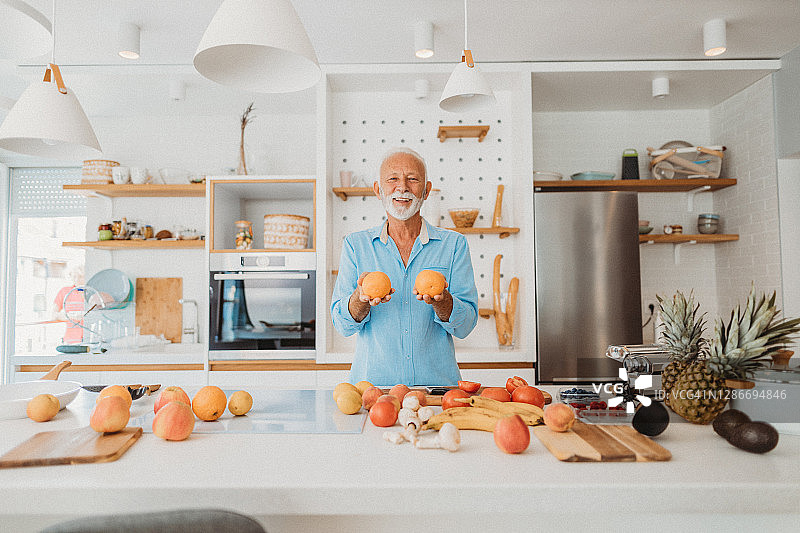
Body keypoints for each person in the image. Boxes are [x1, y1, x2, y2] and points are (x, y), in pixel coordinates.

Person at [330, 148, 479, 386]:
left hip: (437, 391)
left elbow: (466, 325)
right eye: (392, 179)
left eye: (412, 179)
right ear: (378, 190)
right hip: (374, 391)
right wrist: (361, 297)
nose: (403, 187)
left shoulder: (454, 245)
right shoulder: (356, 245)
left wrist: (442, 301)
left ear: (426, 190)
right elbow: (342, 324)